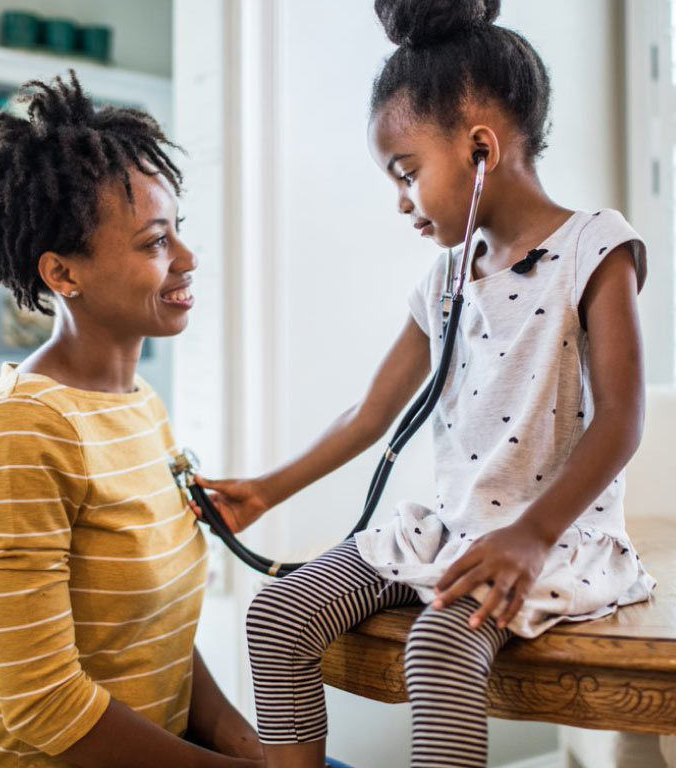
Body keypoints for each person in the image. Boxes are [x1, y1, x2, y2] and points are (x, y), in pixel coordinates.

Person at [193, 1, 656, 766]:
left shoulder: (593, 246)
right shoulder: (444, 279)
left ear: (480, 149)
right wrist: (266, 490)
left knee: (440, 646)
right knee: (276, 616)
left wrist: (532, 534)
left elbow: (623, 418)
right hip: (450, 529)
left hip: (557, 537)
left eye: (407, 174)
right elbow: (371, 410)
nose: (401, 202)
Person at [0, 72, 264, 768]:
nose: (187, 260)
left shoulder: (139, 406)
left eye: (177, 233)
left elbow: (156, 633)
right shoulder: (23, 433)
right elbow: (45, 704)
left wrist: (250, 746)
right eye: (153, 244)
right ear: (62, 274)